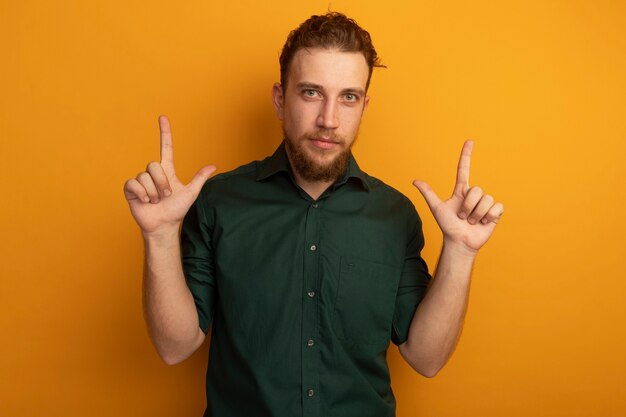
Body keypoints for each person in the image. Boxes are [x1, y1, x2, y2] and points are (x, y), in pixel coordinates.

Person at [123, 12, 503, 417]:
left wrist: (461, 251)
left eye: (348, 97)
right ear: (279, 99)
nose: (329, 119)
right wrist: (160, 236)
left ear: (363, 106)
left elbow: (426, 358)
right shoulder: (219, 202)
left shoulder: (396, 215)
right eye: (310, 93)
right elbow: (174, 346)